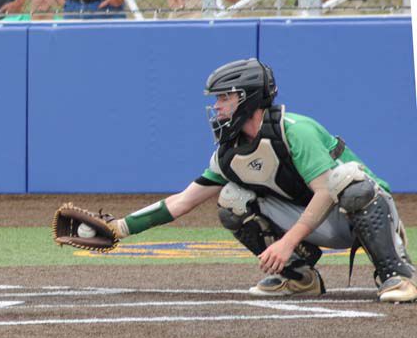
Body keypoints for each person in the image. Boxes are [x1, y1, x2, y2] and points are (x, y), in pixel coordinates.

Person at [97, 58, 415, 303]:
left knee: (349, 181)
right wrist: (120, 228)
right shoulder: (229, 154)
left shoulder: (294, 130)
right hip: (314, 219)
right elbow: (182, 202)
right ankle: (299, 277)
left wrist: (287, 241)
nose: (217, 106)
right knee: (232, 200)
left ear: (246, 99)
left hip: (362, 213)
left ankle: (399, 274)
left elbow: (325, 192)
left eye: (224, 98)